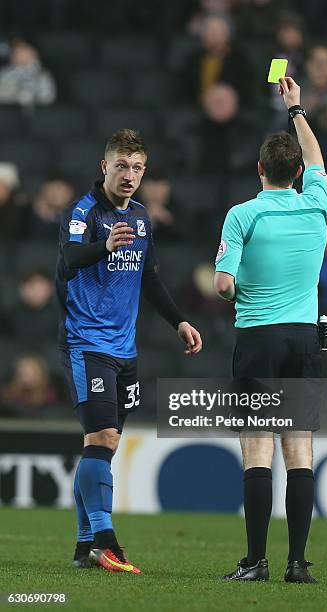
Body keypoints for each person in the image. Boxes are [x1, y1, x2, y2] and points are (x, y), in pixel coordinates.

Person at [56, 128, 202, 574]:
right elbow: (69, 257)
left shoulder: (140, 217)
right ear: (105, 166)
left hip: (125, 349)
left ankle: (84, 547)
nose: (130, 175)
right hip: (87, 344)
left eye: (138, 167)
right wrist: (105, 246)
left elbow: (150, 277)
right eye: (122, 165)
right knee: (101, 438)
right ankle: (107, 541)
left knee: (105, 444)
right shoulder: (83, 212)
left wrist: (179, 320)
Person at [214, 77, 327, 583]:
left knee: (257, 450)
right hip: (305, 338)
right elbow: (319, 159)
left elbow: (221, 285)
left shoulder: (242, 215)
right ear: (299, 172)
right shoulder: (316, 204)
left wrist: (244, 293)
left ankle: (255, 561)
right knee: (299, 450)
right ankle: (297, 563)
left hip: (258, 340)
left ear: (259, 169)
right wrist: (296, 109)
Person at [0, 39, 56, 107]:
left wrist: (29, 96)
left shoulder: (42, 75)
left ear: (34, 53)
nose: (20, 54)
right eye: (16, 52)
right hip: (10, 111)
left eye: (24, 50)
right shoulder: (5, 74)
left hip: (39, 112)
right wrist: (18, 95)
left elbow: (47, 97)